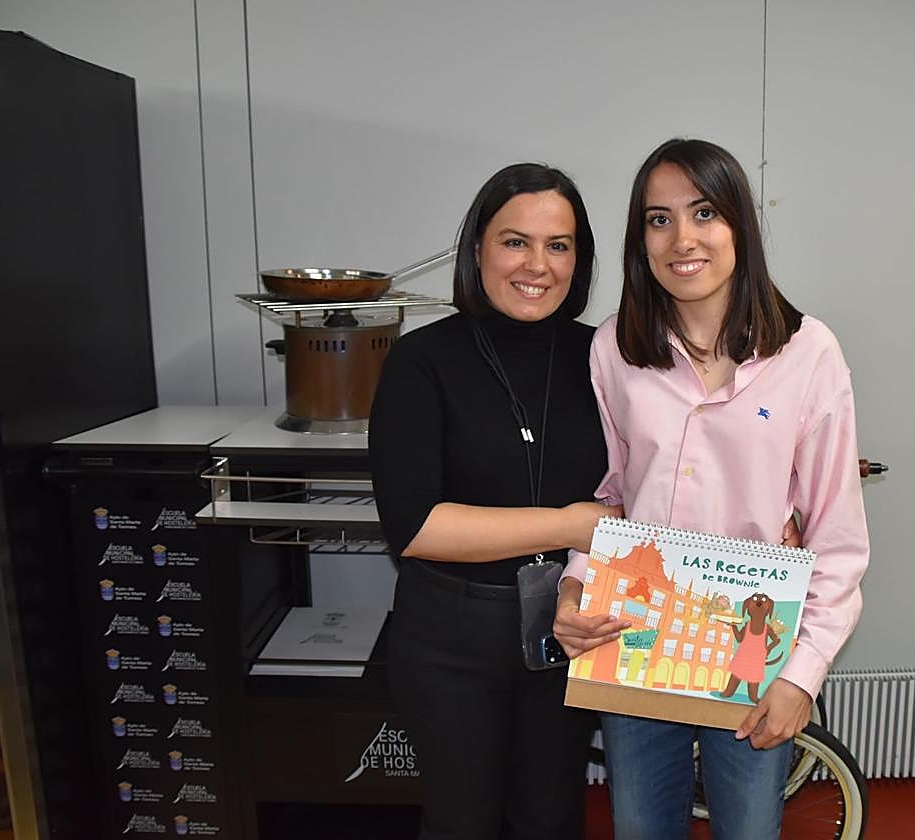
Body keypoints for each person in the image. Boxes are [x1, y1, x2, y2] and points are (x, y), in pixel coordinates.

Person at [555, 138, 870, 839]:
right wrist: (575, 587)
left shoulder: (808, 353)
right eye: (658, 219)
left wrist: (802, 675)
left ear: (739, 226)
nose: (682, 238)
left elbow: (838, 540)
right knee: (641, 828)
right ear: (640, 239)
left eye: (704, 213)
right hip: (635, 638)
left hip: (751, 650)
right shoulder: (614, 348)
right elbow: (609, 495)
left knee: (749, 830)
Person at [368, 163, 629, 840]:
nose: (537, 265)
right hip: (452, 638)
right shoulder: (420, 360)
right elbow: (415, 526)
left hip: (569, 628)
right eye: (516, 242)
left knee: (552, 819)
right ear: (478, 248)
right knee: (463, 823)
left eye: (558, 245)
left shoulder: (605, 357)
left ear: (580, 260)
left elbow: (667, 461)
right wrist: (568, 525)